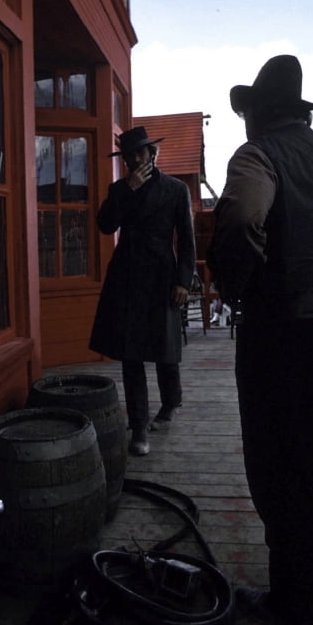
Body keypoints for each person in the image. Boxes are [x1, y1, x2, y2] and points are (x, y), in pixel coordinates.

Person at [207, 55, 313, 625]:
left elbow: (243, 218)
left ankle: (299, 607)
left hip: (285, 332)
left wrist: (234, 285)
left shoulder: (256, 154)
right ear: (299, 113)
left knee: (284, 465)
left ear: (258, 114)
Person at [89, 126, 195, 457]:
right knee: (131, 354)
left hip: (163, 276)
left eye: (141, 153)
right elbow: (105, 225)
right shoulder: (119, 188)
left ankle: (171, 402)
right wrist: (128, 192)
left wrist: (183, 280)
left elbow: (188, 240)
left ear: (153, 154)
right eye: (129, 156)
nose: (135, 160)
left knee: (165, 348)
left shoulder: (176, 190)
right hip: (127, 279)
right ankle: (139, 426)